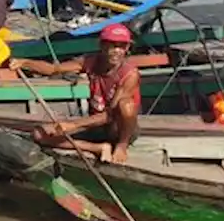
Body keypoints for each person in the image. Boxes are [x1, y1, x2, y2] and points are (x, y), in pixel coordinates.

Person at [10, 23, 139, 164]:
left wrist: (73, 125)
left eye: (121, 46)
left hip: (117, 128)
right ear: (102, 46)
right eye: (112, 45)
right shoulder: (91, 62)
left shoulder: (130, 74)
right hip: (95, 125)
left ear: (127, 48)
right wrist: (25, 62)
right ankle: (97, 148)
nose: (116, 51)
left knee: (126, 105)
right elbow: (54, 69)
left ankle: (122, 145)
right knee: (39, 134)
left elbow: (110, 115)